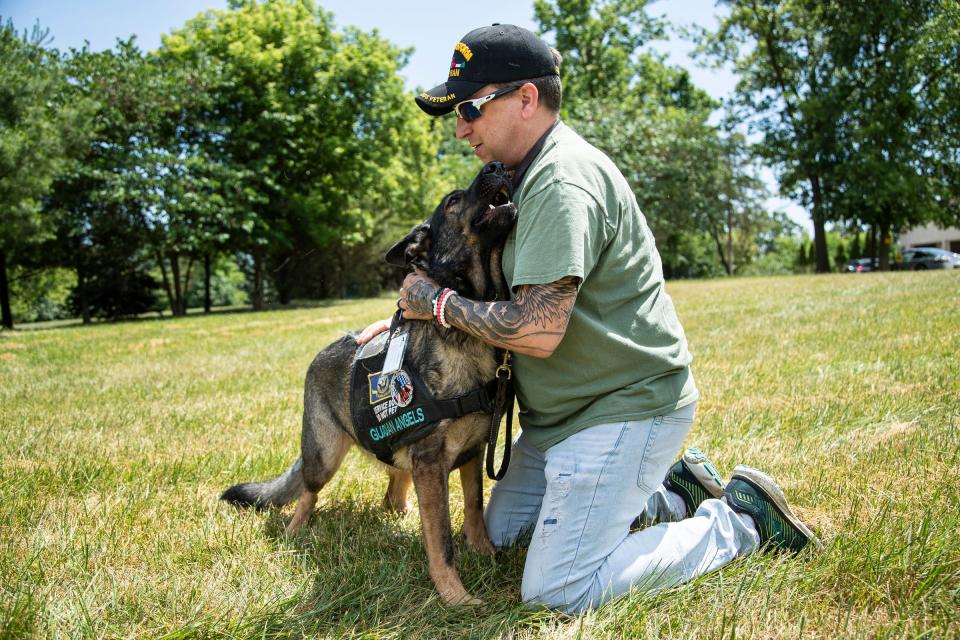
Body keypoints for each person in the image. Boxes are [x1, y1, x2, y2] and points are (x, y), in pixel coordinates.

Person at [360, 24, 818, 613]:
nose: (461, 127)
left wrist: (439, 308)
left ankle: (739, 523)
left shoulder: (559, 181)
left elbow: (537, 329)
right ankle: (666, 498)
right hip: (558, 422)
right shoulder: (514, 180)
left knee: (557, 589)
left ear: (526, 99)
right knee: (498, 538)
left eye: (470, 108)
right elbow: (469, 276)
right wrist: (408, 322)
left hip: (624, 407)